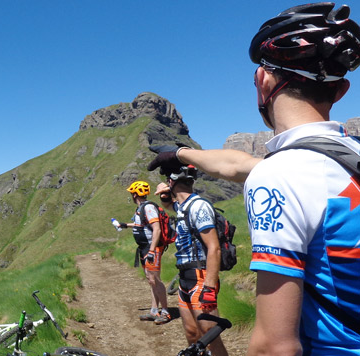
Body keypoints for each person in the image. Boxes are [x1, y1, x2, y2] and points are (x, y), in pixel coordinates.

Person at [148, 3, 360, 355]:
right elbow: (239, 164)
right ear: (341, 91)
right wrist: (181, 153)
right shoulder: (343, 157)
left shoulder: (280, 176)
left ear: (263, 80)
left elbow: (275, 345)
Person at [153, 166, 228, 356]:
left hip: (201, 277)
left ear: (172, 182)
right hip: (185, 278)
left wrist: (209, 288)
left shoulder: (198, 206)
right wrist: (164, 197)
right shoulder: (183, 206)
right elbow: (171, 206)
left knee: (209, 336)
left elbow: (214, 247)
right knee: (192, 333)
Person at [114, 181, 172, 325]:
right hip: (145, 248)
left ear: (135, 194)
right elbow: (142, 225)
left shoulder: (148, 208)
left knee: (155, 279)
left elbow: (157, 228)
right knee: (150, 279)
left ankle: (165, 312)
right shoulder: (141, 209)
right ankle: (154, 310)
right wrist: (125, 225)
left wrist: (152, 251)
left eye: (131, 193)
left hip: (152, 248)